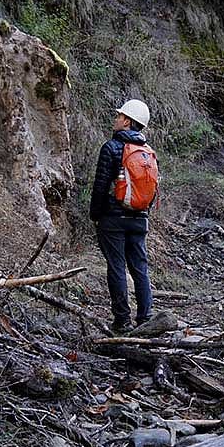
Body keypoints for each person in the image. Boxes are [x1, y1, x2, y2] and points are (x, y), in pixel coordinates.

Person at [90, 99, 158, 334]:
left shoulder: (111, 148)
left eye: (119, 116)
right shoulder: (149, 153)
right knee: (140, 267)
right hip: (140, 218)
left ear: (128, 121)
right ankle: (146, 317)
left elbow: (100, 187)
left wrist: (96, 215)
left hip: (113, 219)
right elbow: (152, 189)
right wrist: (143, 215)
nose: (116, 118)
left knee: (117, 267)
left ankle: (122, 320)